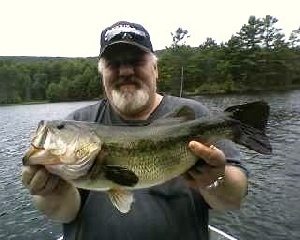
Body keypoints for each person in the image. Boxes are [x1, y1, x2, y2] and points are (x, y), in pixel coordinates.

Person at [21, 21, 248, 240]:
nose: (126, 70)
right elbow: (64, 213)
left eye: (136, 60)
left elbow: (233, 199)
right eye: (113, 63)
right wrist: (51, 192)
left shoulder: (195, 116)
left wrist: (214, 179)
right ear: (102, 74)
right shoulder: (80, 120)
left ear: (155, 69)